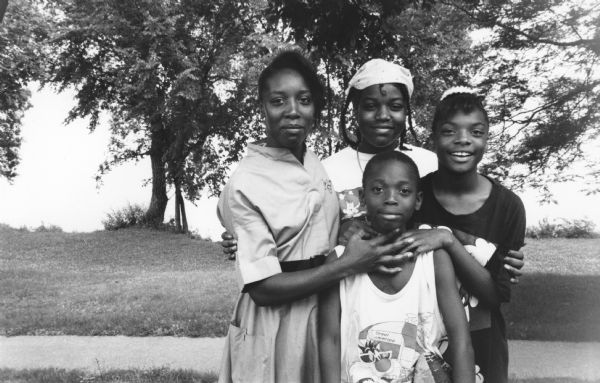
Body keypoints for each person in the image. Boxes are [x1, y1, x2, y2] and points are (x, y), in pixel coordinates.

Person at [220, 59, 525, 283]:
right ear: (354, 110)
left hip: (417, 295)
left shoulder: (429, 164)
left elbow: (458, 216)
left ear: (406, 111)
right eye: (370, 106)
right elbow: (297, 227)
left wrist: (498, 256)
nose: (383, 116)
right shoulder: (327, 170)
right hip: (346, 293)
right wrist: (244, 239)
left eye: (394, 105)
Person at [217, 50, 412, 383]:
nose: (292, 111)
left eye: (303, 100)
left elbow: (322, 224)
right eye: (278, 101)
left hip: (326, 312)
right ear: (262, 107)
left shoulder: (312, 161)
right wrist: (348, 264)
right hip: (275, 322)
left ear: (315, 109)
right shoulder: (245, 182)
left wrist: (352, 229)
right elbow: (262, 289)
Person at [394, 88, 527, 383]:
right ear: (433, 138)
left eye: (475, 131)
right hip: (422, 342)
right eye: (449, 131)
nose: (463, 139)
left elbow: (496, 295)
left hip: (484, 341)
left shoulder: (508, 206)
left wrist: (448, 240)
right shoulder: (415, 196)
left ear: (486, 138)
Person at [319, 151, 475, 383]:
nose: (391, 198)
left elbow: (461, 341)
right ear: (362, 198)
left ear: (418, 200)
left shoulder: (434, 259)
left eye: (403, 191)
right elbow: (329, 340)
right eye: (378, 189)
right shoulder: (339, 261)